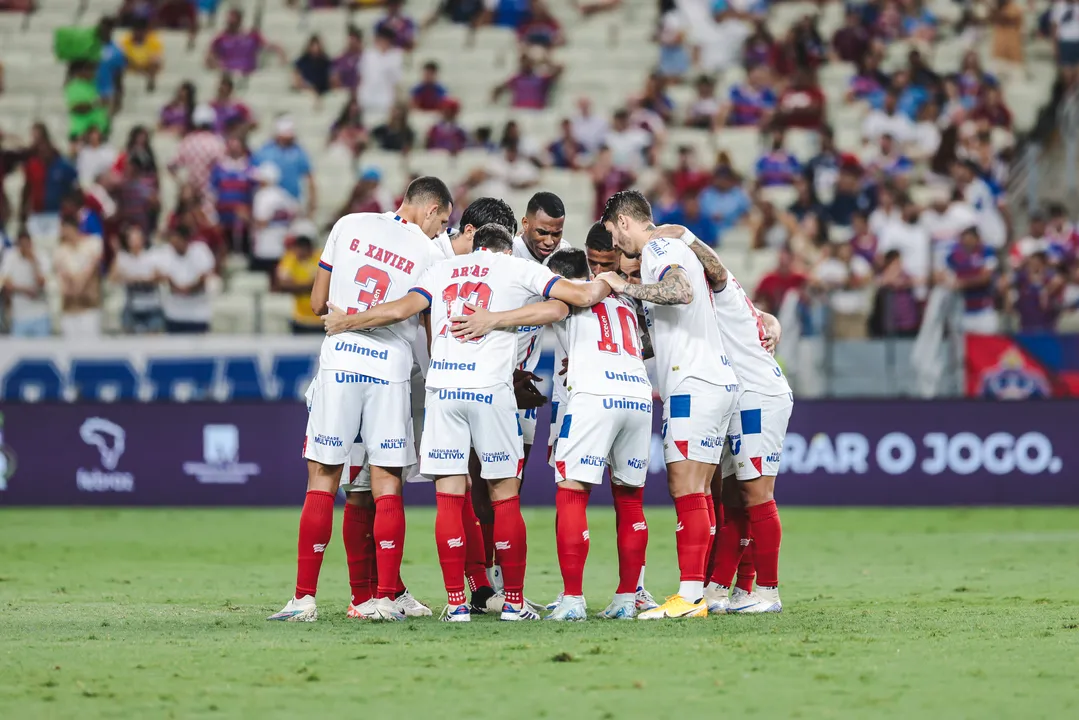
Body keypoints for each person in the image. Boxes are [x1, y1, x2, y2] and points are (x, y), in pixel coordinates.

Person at [321, 223, 613, 621]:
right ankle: (513, 602)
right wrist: (498, 319)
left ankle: (456, 603)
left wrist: (347, 321)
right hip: (489, 390)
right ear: (505, 250)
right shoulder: (514, 269)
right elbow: (569, 302)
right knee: (504, 494)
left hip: (443, 390)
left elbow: (400, 309)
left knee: (450, 496)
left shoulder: (442, 270)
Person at [267, 177, 454, 623]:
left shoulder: (348, 225)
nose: (441, 231)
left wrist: (344, 317)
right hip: (389, 368)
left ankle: (303, 600)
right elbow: (421, 319)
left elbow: (316, 302)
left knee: (323, 479)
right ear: (429, 210)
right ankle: (385, 599)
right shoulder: (430, 254)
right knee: (388, 484)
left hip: (339, 363)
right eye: (442, 222)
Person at [451, 246, 654, 620]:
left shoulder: (569, 297)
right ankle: (628, 598)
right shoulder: (622, 301)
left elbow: (552, 309)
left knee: (573, 495)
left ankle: (574, 600)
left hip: (595, 396)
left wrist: (493, 319)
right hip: (639, 396)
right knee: (630, 500)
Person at [597, 190, 740, 619]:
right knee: (698, 489)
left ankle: (690, 595)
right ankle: (700, 593)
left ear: (624, 222)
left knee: (685, 488)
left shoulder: (658, 247)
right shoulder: (676, 245)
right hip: (715, 379)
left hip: (694, 383)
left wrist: (626, 285)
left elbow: (680, 292)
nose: (616, 247)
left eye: (612, 234)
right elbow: (716, 276)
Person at [652, 222, 791, 613]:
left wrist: (688, 238)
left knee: (757, 494)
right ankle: (721, 589)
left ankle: (767, 591)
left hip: (759, 393)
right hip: (738, 394)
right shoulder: (709, 302)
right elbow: (760, 316)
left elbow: (719, 272)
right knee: (735, 498)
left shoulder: (718, 284)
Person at [156, 226, 216, 334]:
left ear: (186, 240)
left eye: (177, 242)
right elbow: (165, 278)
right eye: (172, 243)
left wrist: (187, 290)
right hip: (174, 314)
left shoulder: (200, 251)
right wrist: (179, 288)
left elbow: (204, 279)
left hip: (198, 315)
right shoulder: (166, 253)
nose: (174, 246)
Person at [254, 117, 316, 216]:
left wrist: (312, 206)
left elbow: (310, 178)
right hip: (269, 204)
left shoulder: (298, 152)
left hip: (292, 203)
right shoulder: (265, 151)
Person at [53, 218, 103, 338]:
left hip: (89, 307)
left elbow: (91, 271)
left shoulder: (93, 244)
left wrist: (79, 284)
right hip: (69, 309)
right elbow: (64, 276)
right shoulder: (60, 251)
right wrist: (76, 285)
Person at [109, 224, 163, 334]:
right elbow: (113, 278)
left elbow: (159, 277)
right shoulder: (123, 257)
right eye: (132, 238)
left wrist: (138, 279)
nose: (135, 241)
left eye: (137, 238)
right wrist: (116, 252)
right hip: (131, 307)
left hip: (152, 306)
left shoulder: (152, 255)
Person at [945, 226, 999, 334]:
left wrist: (962, 283)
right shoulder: (954, 256)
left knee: (986, 345)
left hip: (984, 311)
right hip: (963, 311)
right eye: (964, 241)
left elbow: (985, 278)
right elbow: (946, 277)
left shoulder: (987, 252)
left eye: (970, 240)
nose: (967, 244)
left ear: (977, 239)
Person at [209, 133, 256, 254]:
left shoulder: (250, 166)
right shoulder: (219, 168)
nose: (234, 148)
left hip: (243, 219)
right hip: (223, 218)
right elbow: (212, 192)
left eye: (237, 145)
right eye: (231, 145)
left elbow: (255, 192)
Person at [206, 7, 286, 77]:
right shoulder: (221, 38)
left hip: (249, 73)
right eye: (228, 18)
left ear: (240, 19)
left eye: (233, 18)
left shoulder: (252, 35)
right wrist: (215, 65)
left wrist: (280, 52)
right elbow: (210, 54)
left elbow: (268, 46)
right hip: (227, 74)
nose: (230, 21)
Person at [0, 229, 52, 337]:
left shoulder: (41, 256)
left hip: (40, 315)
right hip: (19, 317)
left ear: (31, 243)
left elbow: (42, 283)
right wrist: (25, 290)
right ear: (18, 245)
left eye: (26, 244)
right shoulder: (10, 257)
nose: (24, 247)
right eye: (21, 244)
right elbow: (6, 284)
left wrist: (33, 262)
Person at [250, 163, 299, 274]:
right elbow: (295, 214)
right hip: (282, 246)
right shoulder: (284, 195)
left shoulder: (262, 196)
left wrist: (246, 219)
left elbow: (261, 222)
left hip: (265, 247)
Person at [168, 104, 226, 197]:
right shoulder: (216, 142)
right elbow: (223, 167)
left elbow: (171, 166)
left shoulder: (187, 141)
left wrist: (181, 184)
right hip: (209, 194)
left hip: (191, 193)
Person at [275, 234, 323, 334]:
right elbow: (282, 285)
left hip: (321, 320)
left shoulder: (321, 257)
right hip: (300, 318)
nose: (298, 252)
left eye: (300, 249)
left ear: (308, 249)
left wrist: (296, 285)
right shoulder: (290, 258)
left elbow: (324, 284)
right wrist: (310, 285)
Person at [359, 26, 405, 121]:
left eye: (385, 40)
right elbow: (361, 76)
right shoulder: (368, 55)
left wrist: (396, 100)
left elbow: (396, 81)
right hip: (366, 97)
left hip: (386, 99)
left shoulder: (396, 56)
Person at [492, 54, 563, 110]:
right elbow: (499, 89)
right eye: (523, 62)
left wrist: (542, 61)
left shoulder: (541, 79)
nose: (525, 64)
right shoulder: (516, 79)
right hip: (518, 112)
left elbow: (559, 69)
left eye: (528, 62)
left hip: (537, 112)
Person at [65, 61, 110, 141]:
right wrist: (95, 104)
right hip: (81, 133)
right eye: (88, 69)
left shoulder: (96, 83)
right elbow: (76, 107)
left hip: (100, 132)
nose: (92, 72)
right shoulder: (74, 86)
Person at [118, 17, 163, 92]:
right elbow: (124, 56)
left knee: (155, 62)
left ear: (145, 31)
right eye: (136, 30)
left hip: (147, 68)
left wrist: (142, 66)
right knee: (121, 60)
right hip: (130, 68)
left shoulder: (153, 41)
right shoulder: (126, 40)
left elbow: (155, 57)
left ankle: (151, 82)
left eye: (141, 30)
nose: (138, 33)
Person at [292, 34, 333, 100]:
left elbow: (329, 80)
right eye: (313, 46)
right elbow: (297, 76)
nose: (315, 49)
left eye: (317, 46)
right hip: (305, 91)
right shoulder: (302, 61)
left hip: (323, 91)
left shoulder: (326, 62)